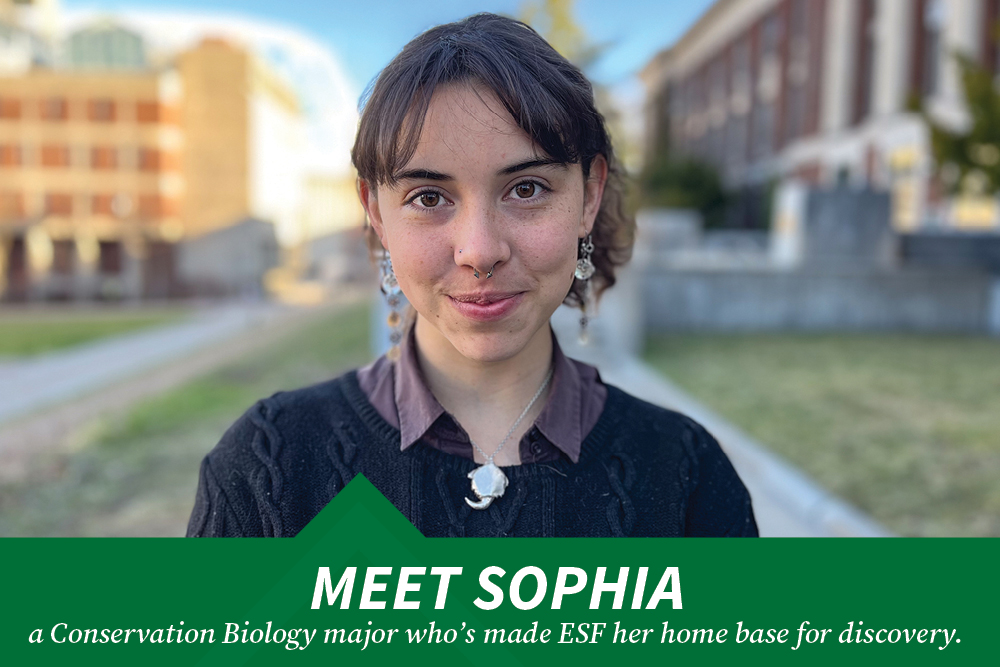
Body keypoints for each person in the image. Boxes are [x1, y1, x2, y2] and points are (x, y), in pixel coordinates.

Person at [186, 13, 758, 538]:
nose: (479, 251)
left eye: (526, 189)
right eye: (429, 196)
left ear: (589, 196)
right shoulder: (266, 467)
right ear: (376, 213)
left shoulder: (688, 474)